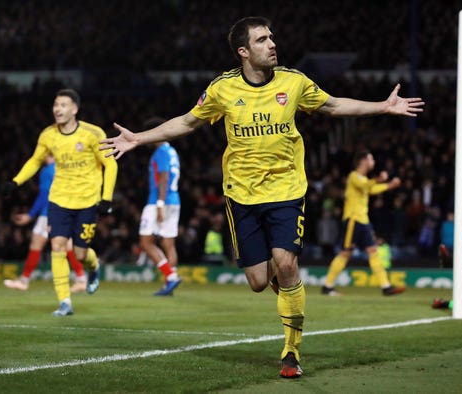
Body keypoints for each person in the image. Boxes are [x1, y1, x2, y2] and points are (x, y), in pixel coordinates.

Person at [99, 16, 424, 378]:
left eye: (272, 37)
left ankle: (291, 351)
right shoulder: (222, 89)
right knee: (257, 281)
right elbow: (188, 122)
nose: (272, 44)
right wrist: (139, 138)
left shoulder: (293, 81)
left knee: (286, 264)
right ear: (243, 51)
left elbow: (332, 105)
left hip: (287, 189)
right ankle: (288, 292)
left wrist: (383, 106)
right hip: (241, 194)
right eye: (261, 40)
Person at [3, 88, 118, 317]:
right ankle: (65, 302)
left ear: (74, 109)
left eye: (63, 105)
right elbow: (35, 161)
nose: (58, 109)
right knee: (56, 246)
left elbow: (111, 164)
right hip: (58, 200)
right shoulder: (48, 135)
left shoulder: (92, 133)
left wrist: (107, 198)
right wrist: (16, 182)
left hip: (86, 201)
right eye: (56, 105)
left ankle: (94, 269)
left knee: (80, 254)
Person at [322, 150, 406, 296]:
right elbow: (366, 186)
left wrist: (390, 185)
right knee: (346, 253)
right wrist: (380, 179)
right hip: (353, 220)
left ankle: (386, 287)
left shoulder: (364, 180)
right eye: (371, 159)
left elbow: (371, 189)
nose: (373, 162)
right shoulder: (354, 176)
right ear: (364, 161)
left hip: (363, 221)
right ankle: (327, 286)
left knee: (373, 251)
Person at [4, 154, 88, 293]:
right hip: (66, 210)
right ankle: (81, 279)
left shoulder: (48, 170)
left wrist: (30, 215)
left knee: (38, 242)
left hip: (49, 212)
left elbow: (44, 195)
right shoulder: (65, 168)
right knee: (66, 244)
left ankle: (24, 281)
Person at [138, 117, 182, 296]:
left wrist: (160, 204)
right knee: (168, 244)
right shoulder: (172, 151)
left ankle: (170, 276)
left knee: (146, 242)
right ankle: (170, 283)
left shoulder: (160, 153)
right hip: (175, 200)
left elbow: (163, 178)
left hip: (159, 201)